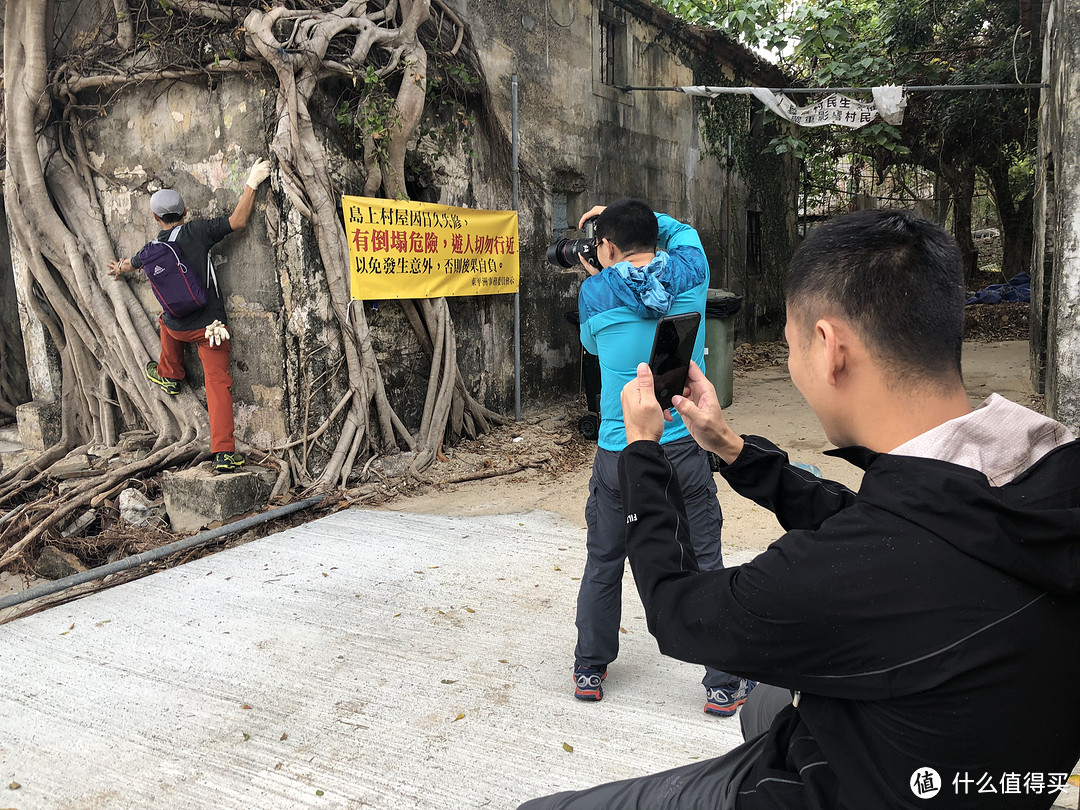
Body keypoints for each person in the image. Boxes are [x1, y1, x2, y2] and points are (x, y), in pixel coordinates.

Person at [523, 209, 1080, 809]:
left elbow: (680, 613)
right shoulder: (1036, 488)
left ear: (828, 346)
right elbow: (877, 521)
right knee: (762, 698)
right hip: (970, 765)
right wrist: (733, 450)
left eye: (790, 346)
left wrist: (639, 452)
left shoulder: (836, 575)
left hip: (834, 782)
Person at [571, 199, 750, 716]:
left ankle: (590, 666)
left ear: (605, 247)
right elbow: (685, 232)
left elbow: (590, 343)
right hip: (683, 443)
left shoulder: (595, 291)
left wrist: (603, 271)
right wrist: (627, 216)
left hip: (619, 449)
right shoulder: (693, 271)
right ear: (657, 235)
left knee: (605, 559)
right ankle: (723, 683)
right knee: (705, 557)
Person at [108, 158, 271, 473]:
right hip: (211, 327)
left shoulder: (153, 247)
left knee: (164, 320)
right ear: (184, 212)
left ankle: (169, 374)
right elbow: (237, 222)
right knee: (217, 383)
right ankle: (224, 453)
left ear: (156, 217)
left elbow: (132, 263)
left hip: (178, 329)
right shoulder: (198, 231)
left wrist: (118, 268)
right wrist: (252, 181)